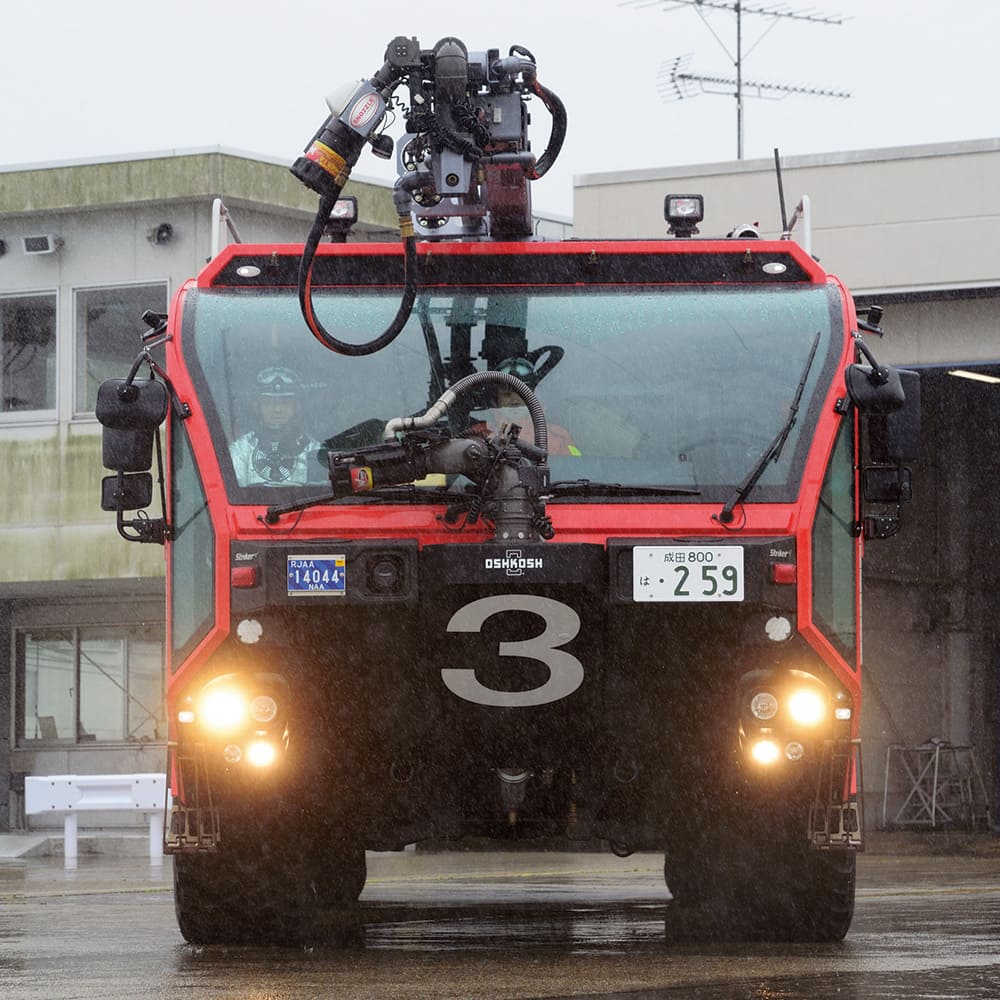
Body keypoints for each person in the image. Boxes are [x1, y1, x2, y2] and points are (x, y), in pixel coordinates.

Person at [229, 366, 323, 485]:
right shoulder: (240, 452)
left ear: (297, 407)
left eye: (285, 403)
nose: (277, 409)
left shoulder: (314, 451)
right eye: (269, 402)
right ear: (257, 406)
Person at [473, 354, 581, 456]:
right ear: (496, 399)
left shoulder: (559, 437)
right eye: (507, 394)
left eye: (521, 393)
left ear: (534, 394)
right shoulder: (478, 435)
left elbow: (575, 466)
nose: (514, 400)